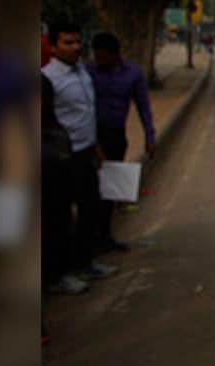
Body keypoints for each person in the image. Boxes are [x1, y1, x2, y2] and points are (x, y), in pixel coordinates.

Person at [41, 23, 118, 291]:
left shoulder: (82, 72)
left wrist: (96, 147)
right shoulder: (47, 79)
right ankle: (58, 274)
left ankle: (85, 262)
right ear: (53, 46)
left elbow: (86, 113)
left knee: (91, 209)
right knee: (60, 218)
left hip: (86, 151)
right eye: (67, 43)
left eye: (77, 42)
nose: (75, 48)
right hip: (62, 158)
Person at [87, 32, 156, 254]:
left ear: (116, 55)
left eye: (104, 57)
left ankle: (105, 235)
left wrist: (149, 136)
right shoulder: (87, 72)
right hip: (89, 136)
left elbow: (143, 106)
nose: (100, 61)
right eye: (97, 57)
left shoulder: (133, 74)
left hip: (116, 135)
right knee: (89, 190)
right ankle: (90, 238)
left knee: (110, 190)